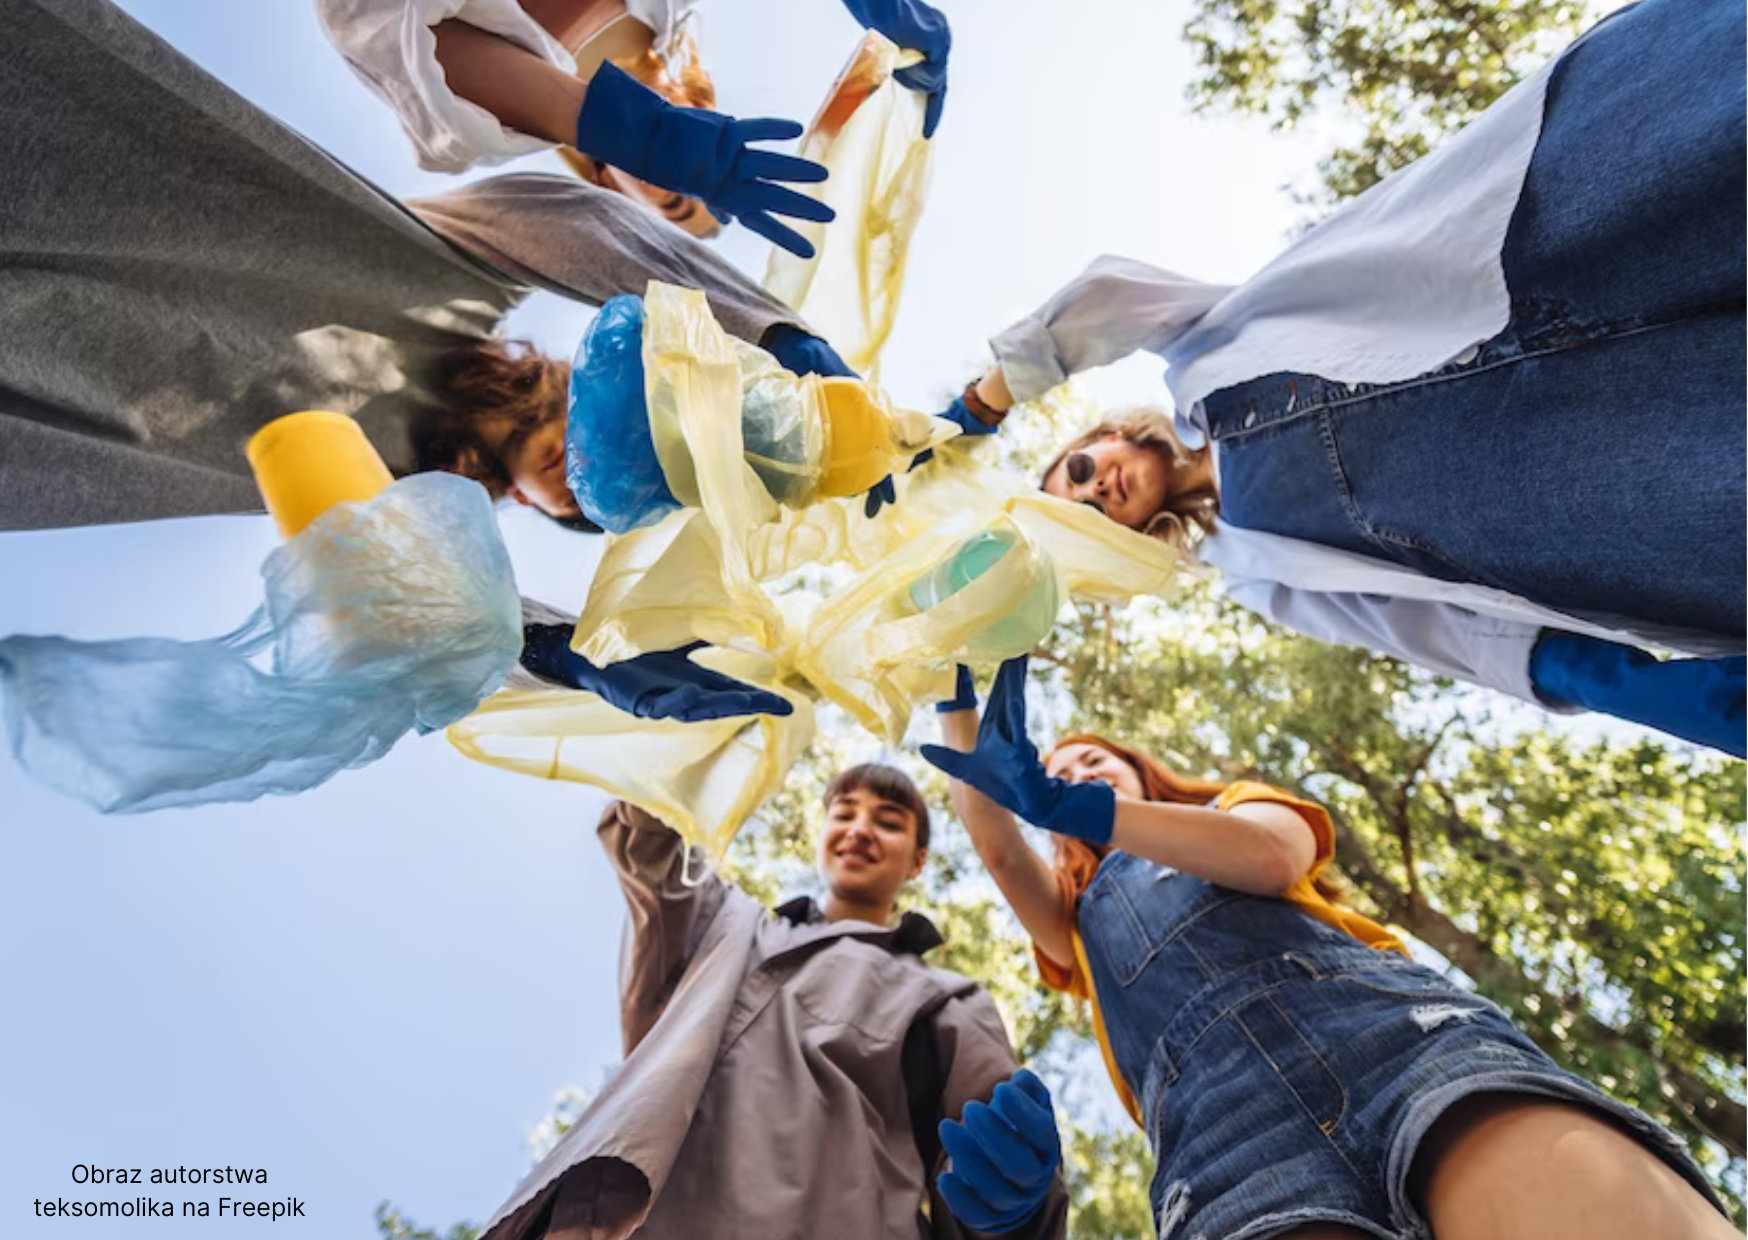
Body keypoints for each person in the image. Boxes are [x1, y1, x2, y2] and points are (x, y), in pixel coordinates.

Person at [920, 0, 1745, 755]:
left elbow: (1108, 298)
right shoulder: (1255, 572)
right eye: (1093, 515)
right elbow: (1417, 625)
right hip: (1584, 481)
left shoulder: (1197, 353)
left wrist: (981, 405)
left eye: (1078, 472)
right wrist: (1597, 677)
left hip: (1532, 243)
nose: (1098, 489)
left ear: (1100, 437)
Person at [0, 0, 849, 720]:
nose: (574, 486)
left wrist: (567, 651)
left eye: (577, 510)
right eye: (631, 448)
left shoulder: (392, 494)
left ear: (531, 505)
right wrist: (771, 332)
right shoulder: (460, 281)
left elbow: (426, 611)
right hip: (73, 162)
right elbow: (582, 225)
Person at [920, 657, 1734, 1240]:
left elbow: (1270, 857)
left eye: (1096, 760)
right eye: (1058, 771)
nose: (1078, 772)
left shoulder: (1234, 805)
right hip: (1217, 1134)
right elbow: (995, 843)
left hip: (1396, 1037)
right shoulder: (1069, 917)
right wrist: (954, 684)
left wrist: (1076, 804)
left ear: (1141, 770)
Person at [475, 763, 1068, 1239]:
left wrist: (1017, 1210)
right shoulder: (722, 924)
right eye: (844, 813)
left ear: (918, 861)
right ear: (820, 837)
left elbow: (984, 1159)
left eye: (888, 821)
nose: (860, 829)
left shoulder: (943, 995)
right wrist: (687, 740)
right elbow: (650, 845)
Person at [317, 0, 952, 255]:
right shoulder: (672, 8)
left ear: (609, 182)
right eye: (691, 190)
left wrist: (640, 132)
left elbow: (372, 22)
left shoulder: (480, 123)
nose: (684, 179)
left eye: (674, 198)